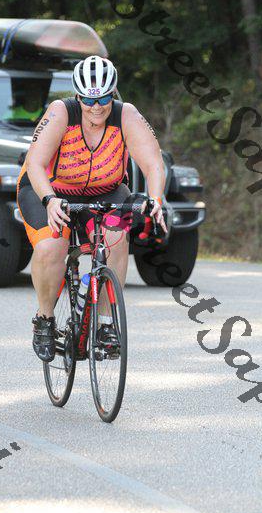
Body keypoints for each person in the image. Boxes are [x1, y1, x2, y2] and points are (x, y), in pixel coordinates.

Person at [16, 55, 167, 362]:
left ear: (113, 94)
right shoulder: (61, 113)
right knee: (52, 247)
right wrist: (49, 200)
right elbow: (35, 163)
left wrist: (156, 200)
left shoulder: (127, 115)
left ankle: (106, 323)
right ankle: (45, 319)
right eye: (87, 99)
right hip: (50, 189)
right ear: (77, 96)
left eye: (103, 99)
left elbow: (154, 164)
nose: (96, 107)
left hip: (107, 189)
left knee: (116, 239)